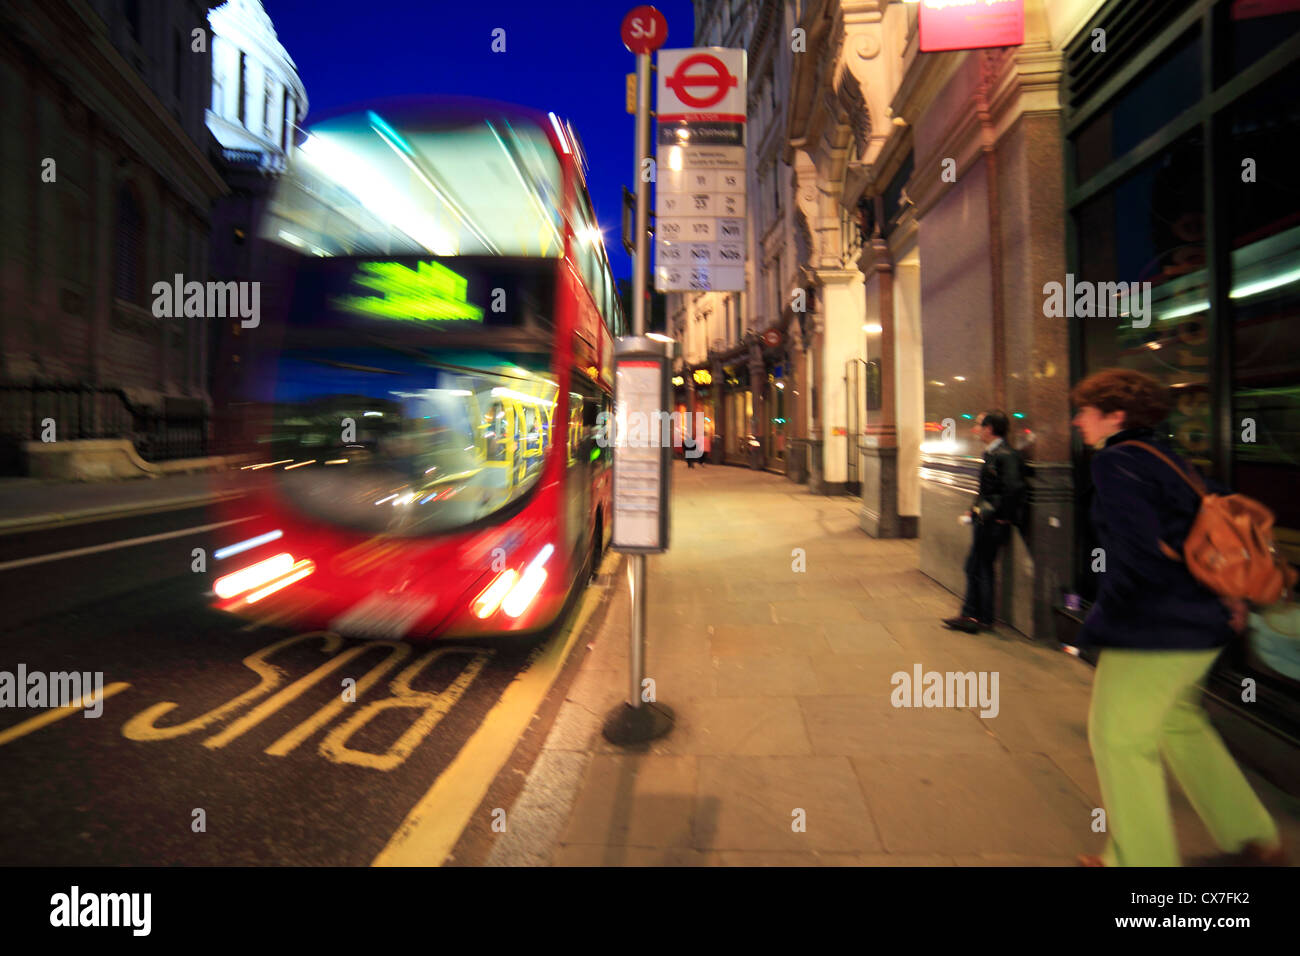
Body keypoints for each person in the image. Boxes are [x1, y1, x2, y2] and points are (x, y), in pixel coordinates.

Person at [1070, 367, 1284, 867]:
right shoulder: (1169, 458)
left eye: (1086, 411)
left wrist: (1099, 627)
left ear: (1114, 416)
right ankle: (1252, 837)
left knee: (1118, 739)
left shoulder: (1117, 461)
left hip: (1157, 626)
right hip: (1205, 621)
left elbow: (1135, 556)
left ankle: (1142, 862)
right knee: (1179, 725)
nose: (1078, 420)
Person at [942, 410, 1025, 633]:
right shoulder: (993, 453)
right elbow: (986, 491)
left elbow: (1013, 488)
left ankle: (979, 618)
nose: (975, 429)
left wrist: (1001, 516)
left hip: (992, 524)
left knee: (981, 567)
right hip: (983, 520)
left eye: (979, 425)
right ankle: (972, 615)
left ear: (989, 429)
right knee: (975, 566)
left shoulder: (1006, 455)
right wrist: (974, 511)